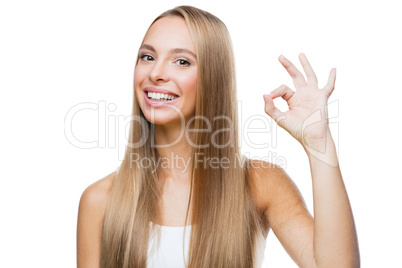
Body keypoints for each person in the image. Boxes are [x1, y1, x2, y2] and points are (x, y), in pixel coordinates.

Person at [77, 5, 360, 268]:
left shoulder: (261, 185)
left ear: (213, 76)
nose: (156, 73)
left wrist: (319, 144)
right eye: (147, 57)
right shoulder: (100, 200)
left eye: (182, 61)